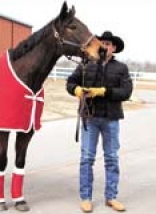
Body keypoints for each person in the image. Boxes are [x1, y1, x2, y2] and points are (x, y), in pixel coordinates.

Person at [66, 31, 133, 213]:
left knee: (111, 158)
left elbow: (126, 92)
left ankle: (111, 197)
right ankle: (86, 197)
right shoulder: (86, 64)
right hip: (90, 118)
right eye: (102, 43)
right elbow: (70, 82)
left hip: (111, 119)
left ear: (114, 48)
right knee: (87, 158)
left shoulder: (121, 68)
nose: (105, 46)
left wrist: (104, 91)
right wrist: (77, 90)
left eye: (108, 44)